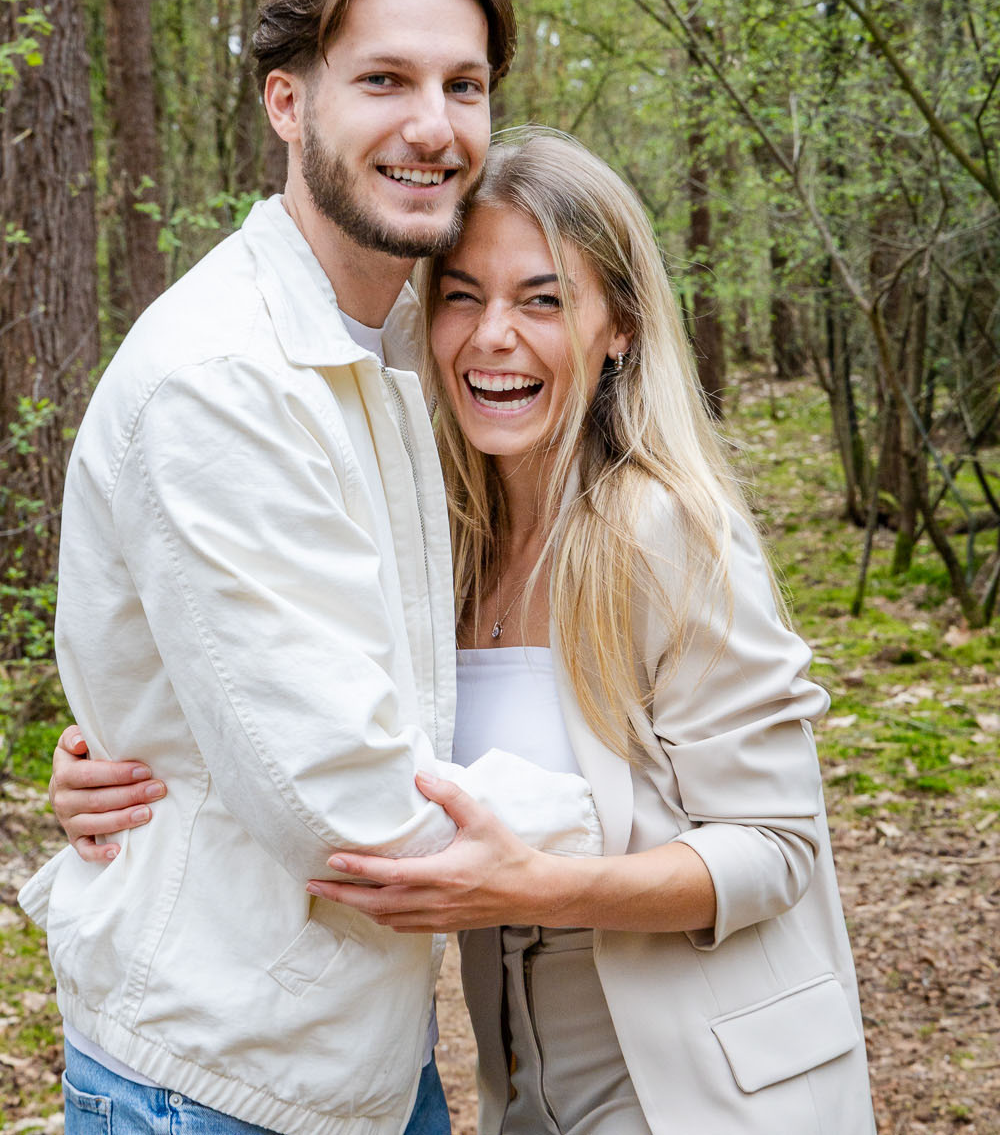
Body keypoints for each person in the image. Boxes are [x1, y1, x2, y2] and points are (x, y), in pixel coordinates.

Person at [51, 130, 876, 1133]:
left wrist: (545, 883)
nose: (494, 335)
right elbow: (299, 716)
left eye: (543, 299)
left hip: (699, 1079)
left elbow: (776, 845)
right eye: (461, 296)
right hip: (519, 1076)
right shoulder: (436, 539)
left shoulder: (668, 534)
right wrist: (141, 769)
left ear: (618, 324)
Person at [19, 0, 605, 1135]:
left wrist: (150, 740)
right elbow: (354, 822)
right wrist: (648, 809)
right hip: (217, 1078)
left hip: (359, 1057)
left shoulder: (396, 344)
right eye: (384, 80)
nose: (432, 125)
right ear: (288, 102)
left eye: (465, 86)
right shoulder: (224, 381)